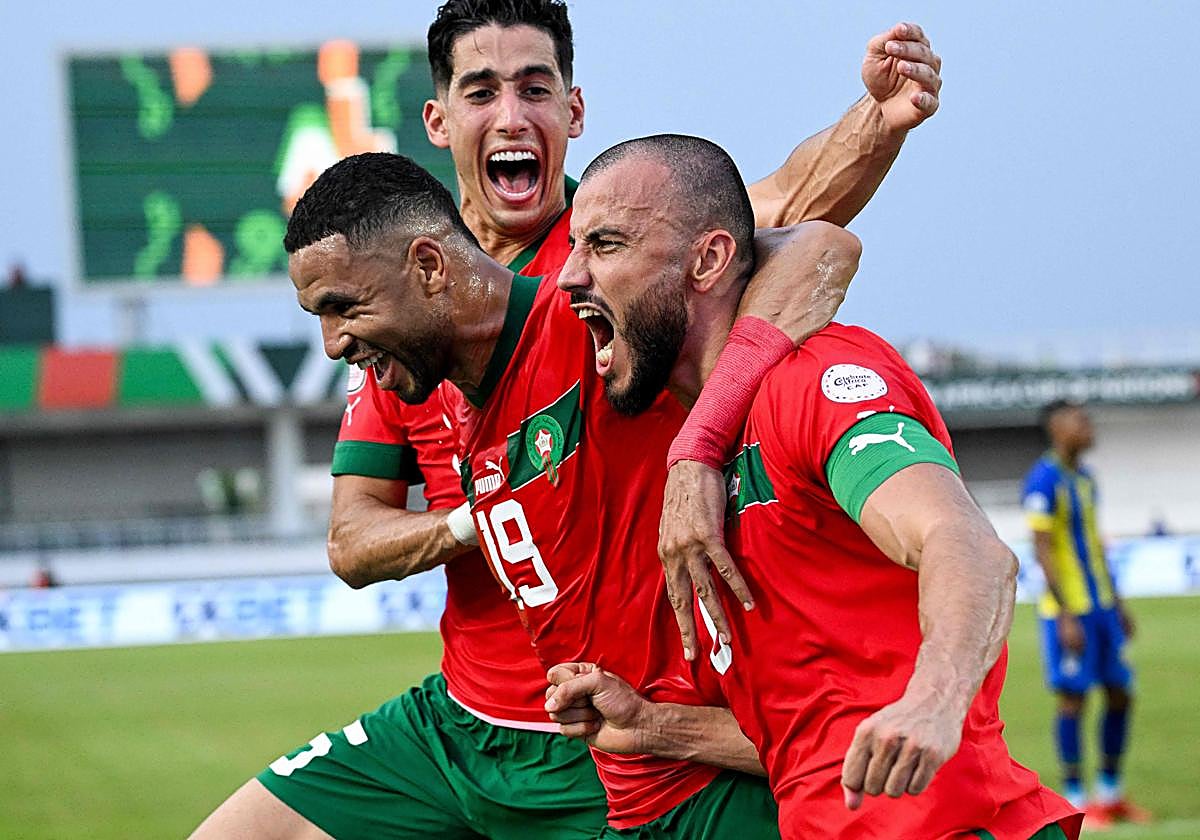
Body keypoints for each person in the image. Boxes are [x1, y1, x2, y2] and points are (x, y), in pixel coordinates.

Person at [191, 0, 943, 835]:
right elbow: (351, 538)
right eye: (482, 92)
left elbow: (797, 220)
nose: (511, 115)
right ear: (440, 120)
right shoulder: (399, 320)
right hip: (461, 721)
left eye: (535, 88)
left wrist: (878, 117)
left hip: (609, 732)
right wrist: (480, 521)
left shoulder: (617, 266)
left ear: (572, 111)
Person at [285, 151, 858, 835]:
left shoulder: (577, 316)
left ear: (431, 268)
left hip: (709, 790)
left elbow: (822, 245)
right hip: (627, 772)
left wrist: (697, 448)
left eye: (342, 307)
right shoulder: (455, 397)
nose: (329, 343)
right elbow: (350, 545)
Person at [545, 134, 1082, 839]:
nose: (569, 276)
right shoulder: (692, 447)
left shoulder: (817, 381)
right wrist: (655, 726)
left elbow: (967, 545)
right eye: (575, 245)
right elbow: (813, 742)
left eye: (606, 246)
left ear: (707, 262)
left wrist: (936, 700)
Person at [1022, 400, 1150, 829]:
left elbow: (1093, 543)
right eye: (1080, 420)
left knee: (1120, 693)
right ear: (1058, 428)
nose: (1088, 425)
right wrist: (1064, 614)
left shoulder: (1086, 479)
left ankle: (1110, 793)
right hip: (1069, 611)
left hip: (1102, 608)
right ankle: (1076, 800)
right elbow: (1041, 550)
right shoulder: (1043, 480)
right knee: (1073, 699)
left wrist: (1118, 603)